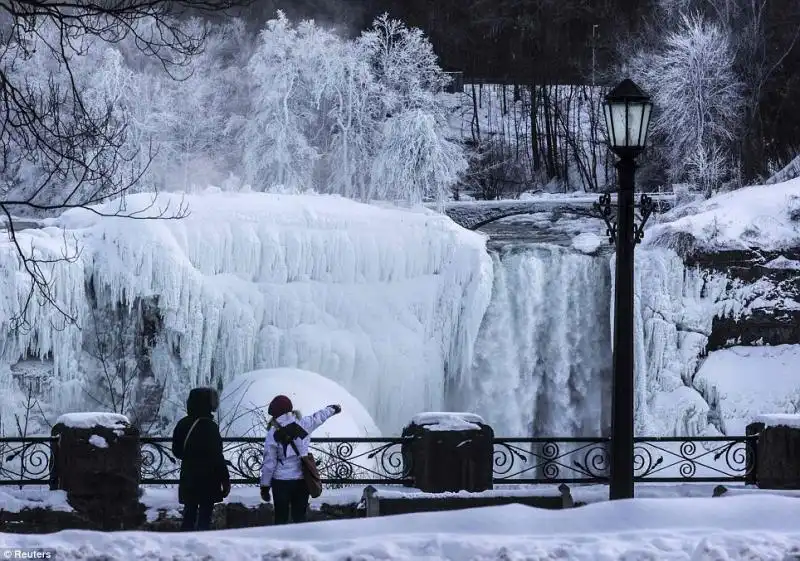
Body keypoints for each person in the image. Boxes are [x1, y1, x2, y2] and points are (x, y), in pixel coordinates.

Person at [259, 395, 341, 524]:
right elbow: (319, 417)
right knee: (300, 517)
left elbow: (269, 463)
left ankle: (280, 543)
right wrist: (333, 409)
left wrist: (265, 486)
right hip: (301, 480)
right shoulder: (304, 423)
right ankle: (300, 541)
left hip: (281, 482)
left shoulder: (272, 434)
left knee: (281, 518)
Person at [172, 387, 231, 531]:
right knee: (205, 515)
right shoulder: (210, 426)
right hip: (208, 478)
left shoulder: (183, 423)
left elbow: (177, 451)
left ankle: (185, 541)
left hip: (189, 475)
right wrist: (225, 478)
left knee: (189, 513)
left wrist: (191, 457)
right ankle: (201, 543)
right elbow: (217, 455)